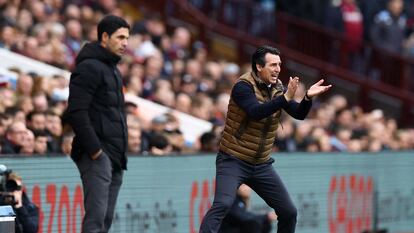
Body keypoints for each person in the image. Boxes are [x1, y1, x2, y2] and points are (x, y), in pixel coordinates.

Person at [199, 45, 332, 233]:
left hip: (260, 164)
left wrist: (308, 98)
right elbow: (255, 112)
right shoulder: (243, 86)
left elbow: (299, 114)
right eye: (272, 65)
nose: (278, 69)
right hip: (233, 159)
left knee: (289, 212)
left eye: (279, 65)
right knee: (223, 204)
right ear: (259, 66)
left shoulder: (277, 88)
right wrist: (284, 98)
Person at [66, 15, 130, 233]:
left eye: (127, 38)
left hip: (114, 155)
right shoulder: (90, 67)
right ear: (104, 37)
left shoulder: (112, 69)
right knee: (95, 220)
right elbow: (76, 112)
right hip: (97, 155)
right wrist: (95, 151)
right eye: (120, 37)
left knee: (105, 220)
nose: (125, 43)